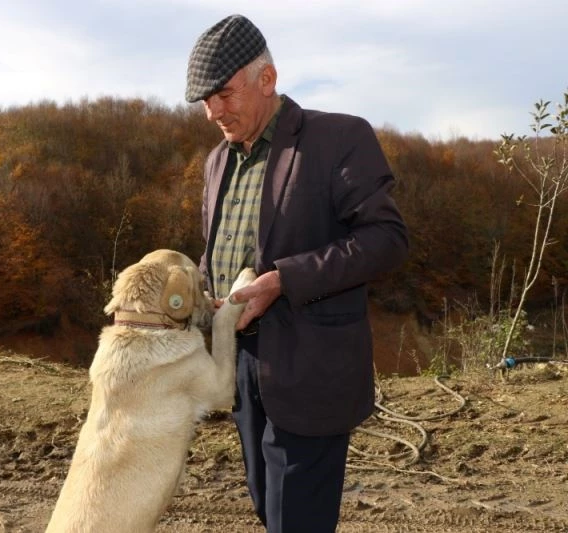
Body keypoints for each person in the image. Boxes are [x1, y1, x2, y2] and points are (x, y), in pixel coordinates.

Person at [185, 14, 408, 532]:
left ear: (268, 79)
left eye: (224, 93)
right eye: (204, 99)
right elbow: (218, 252)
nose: (213, 111)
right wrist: (189, 286)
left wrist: (283, 280)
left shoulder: (339, 138)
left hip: (312, 367)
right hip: (242, 365)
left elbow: (386, 240)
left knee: (296, 520)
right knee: (270, 510)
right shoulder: (217, 161)